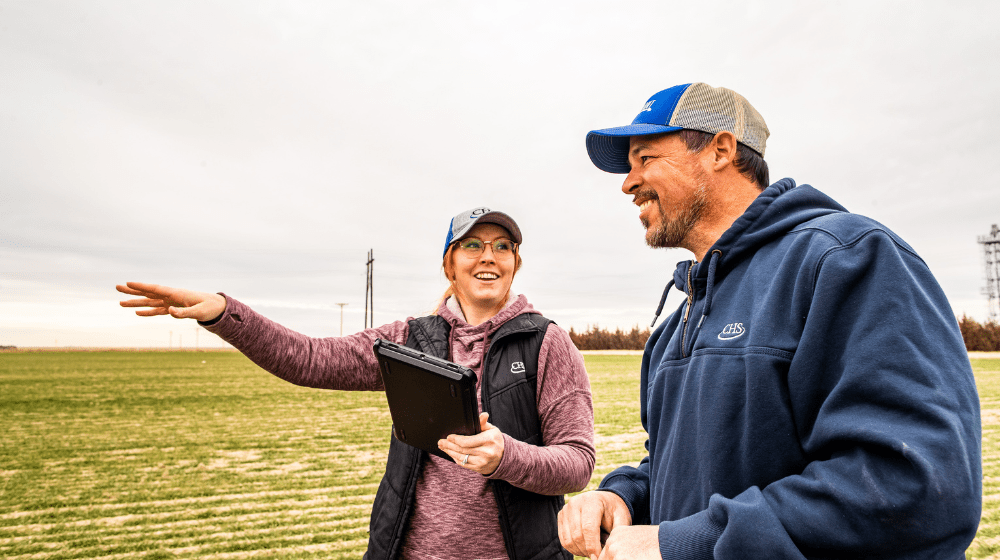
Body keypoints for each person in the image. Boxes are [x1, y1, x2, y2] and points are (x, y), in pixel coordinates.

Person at [557, 83, 982, 560]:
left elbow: (916, 484)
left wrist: (686, 544)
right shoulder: (676, 323)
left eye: (646, 158)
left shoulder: (843, 260)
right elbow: (682, 467)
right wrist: (624, 496)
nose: (628, 183)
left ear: (721, 150)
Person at [118, 207, 595, 560]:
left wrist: (504, 456)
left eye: (502, 247)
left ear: (515, 263)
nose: (488, 257)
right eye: (473, 245)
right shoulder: (410, 339)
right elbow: (309, 359)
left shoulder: (545, 343)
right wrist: (225, 314)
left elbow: (576, 463)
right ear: (450, 265)